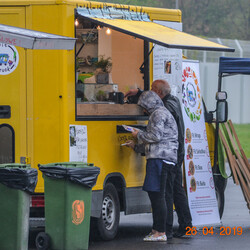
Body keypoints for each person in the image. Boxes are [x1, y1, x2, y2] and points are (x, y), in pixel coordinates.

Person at [125, 79, 192, 237]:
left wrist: (138, 134)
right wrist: (137, 146)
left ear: (159, 94)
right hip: (173, 153)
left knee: (164, 194)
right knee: (174, 191)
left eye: (153, 90)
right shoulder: (172, 102)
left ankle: (164, 230)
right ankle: (182, 226)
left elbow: (156, 136)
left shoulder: (160, 111)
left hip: (164, 156)